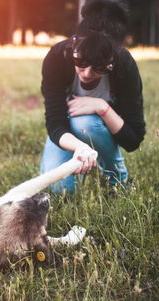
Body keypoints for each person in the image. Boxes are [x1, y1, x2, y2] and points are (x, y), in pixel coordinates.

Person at [40, 0, 146, 194]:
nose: (87, 73)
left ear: (114, 57)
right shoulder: (57, 57)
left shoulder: (125, 66)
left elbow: (133, 140)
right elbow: (55, 124)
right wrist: (81, 148)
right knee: (58, 191)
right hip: (66, 130)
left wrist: (102, 108)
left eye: (100, 67)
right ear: (75, 42)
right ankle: (89, 158)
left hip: (96, 127)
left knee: (87, 123)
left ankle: (119, 181)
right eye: (80, 61)